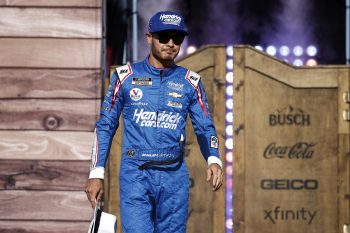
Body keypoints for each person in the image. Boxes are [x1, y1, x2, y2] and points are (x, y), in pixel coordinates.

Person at [85, 10, 223, 233]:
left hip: (174, 177)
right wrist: (96, 173)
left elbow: (205, 126)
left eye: (177, 38)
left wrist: (214, 159)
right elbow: (105, 125)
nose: (171, 43)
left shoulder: (191, 82)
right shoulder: (124, 77)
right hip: (135, 174)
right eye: (164, 37)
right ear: (149, 37)